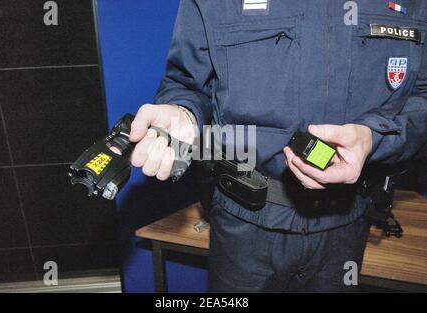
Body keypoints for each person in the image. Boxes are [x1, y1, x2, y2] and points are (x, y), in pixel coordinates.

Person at [128, 0, 427, 292]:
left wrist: (374, 137)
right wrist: (183, 111)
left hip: (346, 226)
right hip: (242, 224)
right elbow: (187, 84)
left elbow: (422, 98)